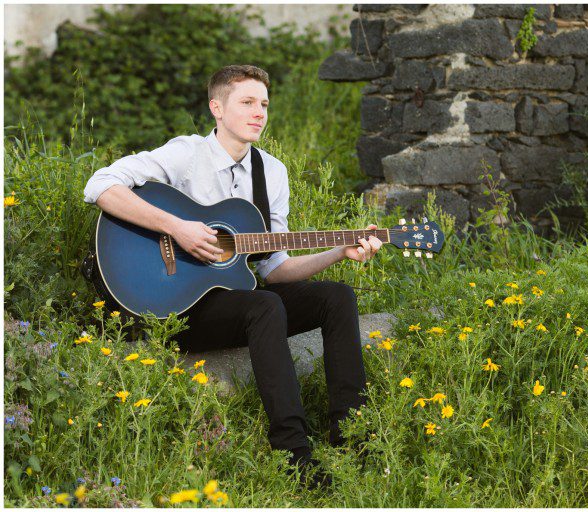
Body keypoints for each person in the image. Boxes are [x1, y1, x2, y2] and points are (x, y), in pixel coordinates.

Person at [83, 64, 382, 489]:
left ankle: (353, 440)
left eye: (264, 104)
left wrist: (339, 251)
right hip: (174, 304)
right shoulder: (187, 154)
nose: (259, 112)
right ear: (216, 108)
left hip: (236, 302)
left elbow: (275, 269)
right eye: (247, 102)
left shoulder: (271, 173)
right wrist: (177, 227)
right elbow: (100, 184)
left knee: (336, 296)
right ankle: (294, 455)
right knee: (264, 305)